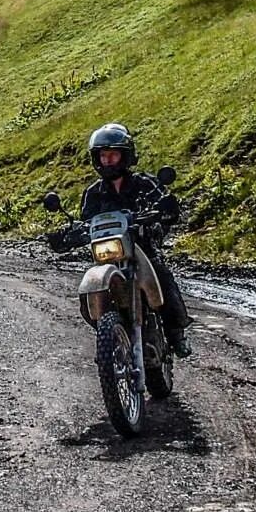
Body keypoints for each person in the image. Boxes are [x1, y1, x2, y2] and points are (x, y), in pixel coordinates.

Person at [76, 123, 193, 357]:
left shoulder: (145, 184)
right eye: (103, 155)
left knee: (161, 275)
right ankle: (108, 334)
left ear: (125, 156)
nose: (108, 160)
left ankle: (176, 332)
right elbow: (84, 221)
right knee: (88, 288)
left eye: (114, 154)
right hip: (108, 255)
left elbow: (166, 205)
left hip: (142, 247)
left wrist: (164, 210)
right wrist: (68, 233)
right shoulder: (93, 193)